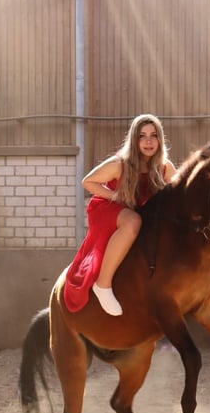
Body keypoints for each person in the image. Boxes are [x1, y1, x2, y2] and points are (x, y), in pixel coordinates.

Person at [63, 113, 176, 315]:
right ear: (134, 140)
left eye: (153, 135)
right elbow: (87, 182)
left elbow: (178, 195)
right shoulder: (120, 164)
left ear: (160, 139)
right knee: (133, 222)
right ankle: (103, 284)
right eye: (142, 136)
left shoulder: (166, 168)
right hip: (107, 207)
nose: (148, 141)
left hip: (136, 212)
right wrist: (115, 196)